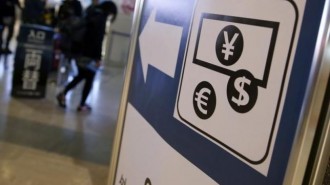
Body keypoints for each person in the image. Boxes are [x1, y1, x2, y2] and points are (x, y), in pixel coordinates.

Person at [56, 0, 118, 112]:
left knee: (83, 76)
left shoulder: (91, 13)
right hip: (90, 54)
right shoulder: (101, 19)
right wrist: (98, 58)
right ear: (109, 11)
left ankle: (70, 97)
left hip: (80, 50)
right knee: (88, 77)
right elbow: (98, 41)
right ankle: (77, 101)